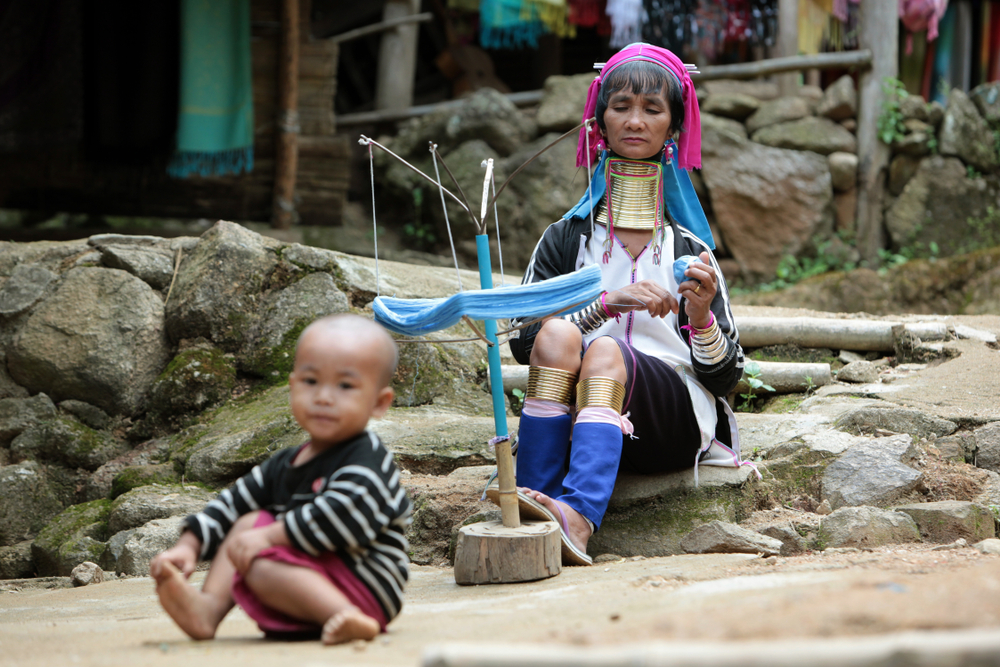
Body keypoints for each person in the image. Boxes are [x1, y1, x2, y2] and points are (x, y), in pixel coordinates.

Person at [491, 43, 747, 566]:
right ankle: (536, 500)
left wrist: (698, 319)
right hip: (583, 417)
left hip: (669, 423)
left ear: (673, 127)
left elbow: (725, 379)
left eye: (652, 109)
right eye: (621, 106)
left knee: (605, 353)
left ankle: (579, 517)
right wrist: (605, 304)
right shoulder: (566, 239)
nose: (635, 120)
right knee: (560, 335)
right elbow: (524, 341)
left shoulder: (690, 250)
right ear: (598, 121)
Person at [149, 314, 412, 645]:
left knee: (257, 558)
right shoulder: (286, 461)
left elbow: (340, 514)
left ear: (379, 402)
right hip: (307, 573)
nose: (324, 397)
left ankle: (348, 616)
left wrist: (270, 536)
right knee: (246, 523)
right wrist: (189, 546)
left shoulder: (367, 459)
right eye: (311, 381)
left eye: (345, 385)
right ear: (292, 387)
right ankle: (207, 609)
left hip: (364, 583)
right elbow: (232, 503)